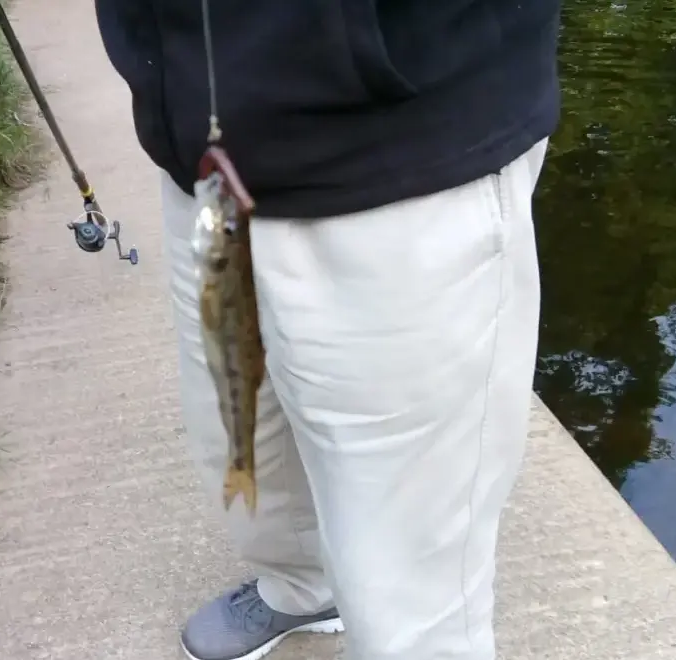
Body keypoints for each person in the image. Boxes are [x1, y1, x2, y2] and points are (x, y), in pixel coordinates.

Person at [93, 2, 562, 659]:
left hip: (398, 151)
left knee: (415, 582)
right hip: (200, 141)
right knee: (244, 444)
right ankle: (303, 587)